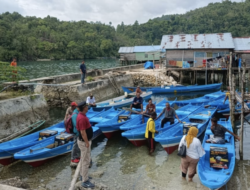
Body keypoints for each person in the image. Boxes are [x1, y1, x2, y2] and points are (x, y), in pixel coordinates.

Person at [76, 101, 95, 188]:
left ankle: (82, 175)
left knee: (83, 159)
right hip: (84, 142)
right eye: (87, 106)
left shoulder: (81, 116)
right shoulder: (82, 118)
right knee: (86, 160)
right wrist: (87, 143)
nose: (88, 107)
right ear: (84, 108)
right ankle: (85, 181)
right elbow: (83, 132)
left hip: (83, 141)